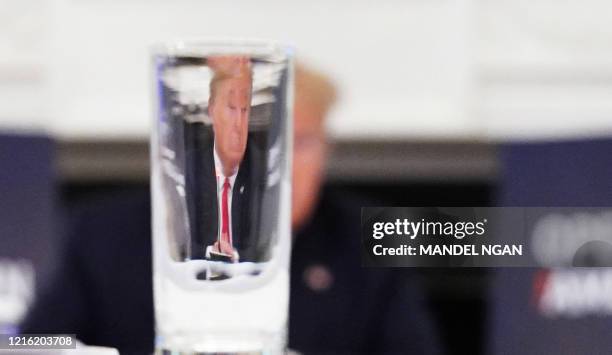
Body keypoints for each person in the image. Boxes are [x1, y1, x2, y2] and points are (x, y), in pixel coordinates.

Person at [21, 63, 442, 355]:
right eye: (256, 136)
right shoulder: (105, 233)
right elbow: (30, 344)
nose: (277, 160)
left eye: (301, 142)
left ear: (327, 150)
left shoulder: (368, 240)